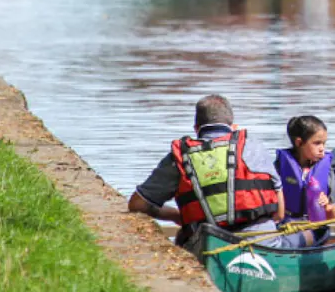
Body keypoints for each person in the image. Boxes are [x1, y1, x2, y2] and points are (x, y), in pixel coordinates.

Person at [126, 94, 317, 248]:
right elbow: (279, 213)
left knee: (181, 237)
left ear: (196, 128)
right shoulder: (253, 147)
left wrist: (177, 216)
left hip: (208, 244)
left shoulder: (179, 158)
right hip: (260, 242)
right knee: (314, 234)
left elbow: (137, 204)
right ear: (233, 127)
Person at [275, 115, 335, 242]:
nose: (322, 149)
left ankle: (332, 246)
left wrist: (327, 203)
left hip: (319, 223)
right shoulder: (279, 167)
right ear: (299, 143)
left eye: (324, 143)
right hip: (290, 225)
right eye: (317, 143)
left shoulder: (326, 169)